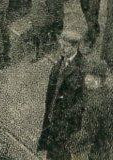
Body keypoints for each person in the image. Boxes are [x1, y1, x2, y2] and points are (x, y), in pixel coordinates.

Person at [37, 29, 85, 160]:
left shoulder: (82, 67)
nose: (62, 49)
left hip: (67, 124)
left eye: (66, 46)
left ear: (75, 46)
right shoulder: (61, 63)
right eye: (61, 45)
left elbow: (83, 101)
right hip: (53, 119)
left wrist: (68, 117)